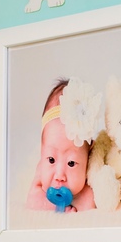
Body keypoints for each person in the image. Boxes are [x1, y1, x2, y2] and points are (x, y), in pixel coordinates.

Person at [26, 79, 96, 213]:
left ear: (88, 157)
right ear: (42, 150)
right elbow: (32, 201)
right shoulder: (41, 170)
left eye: (71, 163)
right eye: (51, 160)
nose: (59, 175)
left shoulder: (91, 172)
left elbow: (89, 202)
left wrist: (78, 199)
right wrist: (58, 207)